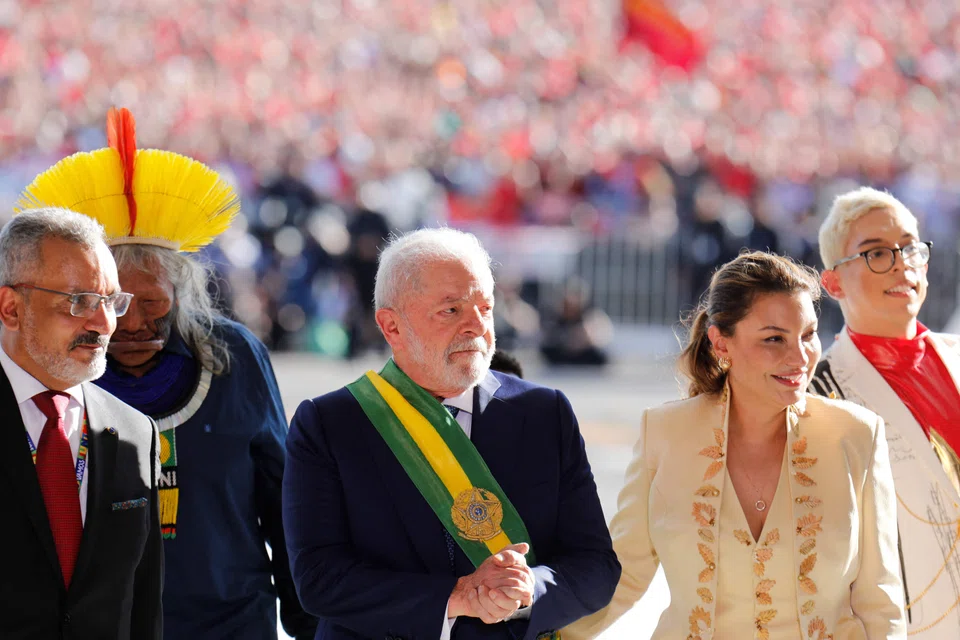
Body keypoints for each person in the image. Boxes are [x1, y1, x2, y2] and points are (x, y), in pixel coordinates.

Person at [17, 108, 316, 640]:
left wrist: (309, 620)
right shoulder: (54, 364)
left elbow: (284, 499)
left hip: (230, 620)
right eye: (112, 302)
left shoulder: (235, 356)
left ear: (184, 293)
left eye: (152, 302)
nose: (130, 324)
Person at [283, 227, 621, 639]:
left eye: (486, 307)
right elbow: (320, 579)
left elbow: (596, 565)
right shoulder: (330, 423)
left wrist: (528, 588)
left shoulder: (544, 413)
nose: (477, 326)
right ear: (391, 327)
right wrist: (458, 596)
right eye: (452, 310)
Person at [565, 251, 905, 640]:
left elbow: (880, 601)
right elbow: (622, 576)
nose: (800, 357)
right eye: (774, 338)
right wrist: (539, 633)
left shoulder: (858, 434)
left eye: (809, 335)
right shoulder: (662, 432)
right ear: (721, 343)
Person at [0, 208, 162, 638]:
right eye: (79, 302)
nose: (106, 323)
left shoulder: (135, 432)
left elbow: (143, 604)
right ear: (11, 307)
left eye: (111, 301)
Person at [808, 186, 960, 637]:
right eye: (875, 253)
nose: (901, 263)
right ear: (832, 282)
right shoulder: (817, 394)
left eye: (910, 247)